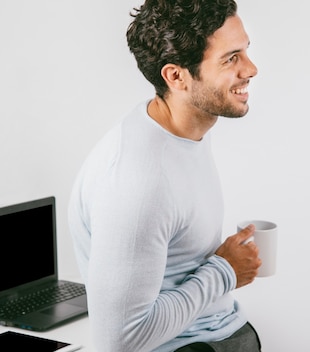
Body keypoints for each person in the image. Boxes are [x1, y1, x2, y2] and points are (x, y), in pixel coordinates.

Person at [67, 0, 262, 351]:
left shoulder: (184, 130)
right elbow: (119, 340)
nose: (251, 69)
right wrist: (225, 271)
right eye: (231, 58)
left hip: (219, 331)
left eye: (246, 51)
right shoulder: (137, 182)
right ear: (176, 77)